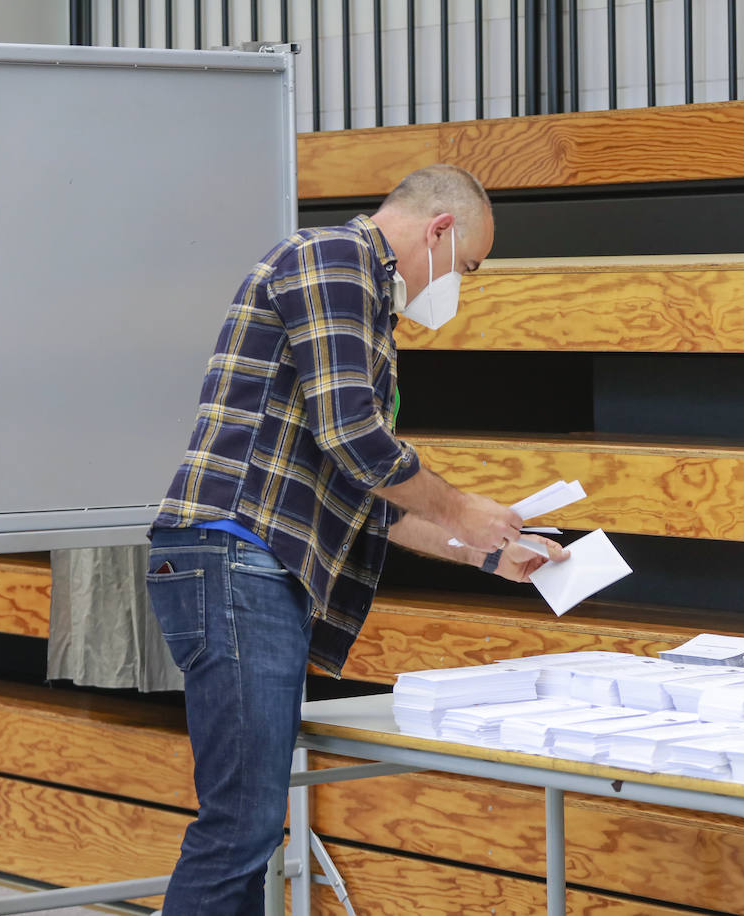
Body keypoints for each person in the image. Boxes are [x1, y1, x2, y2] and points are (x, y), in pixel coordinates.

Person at [145, 163, 568, 915]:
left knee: (247, 829)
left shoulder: (366, 305)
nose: (458, 284)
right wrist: (463, 510)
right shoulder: (331, 259)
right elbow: (354, 438)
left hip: (249, 564)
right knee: (239, 828)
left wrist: (488, 550)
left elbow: (368, 497)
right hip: (237, 555)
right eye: (468, 266)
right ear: (440, 230)